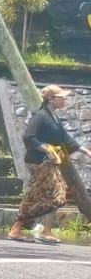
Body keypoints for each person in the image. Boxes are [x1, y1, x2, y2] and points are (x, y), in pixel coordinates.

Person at [7, 85, 90, 244]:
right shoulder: (40, 116)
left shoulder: (54, 117)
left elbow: (65, 139)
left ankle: (23, 229)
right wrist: (46, 149)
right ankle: (41, 231)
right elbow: (29, 137)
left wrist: (85, 150)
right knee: (56, 192)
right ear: (51, 99)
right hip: (38, 161)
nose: (65, 99)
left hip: (50, 163)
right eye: (61, 97)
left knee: (39, 194)